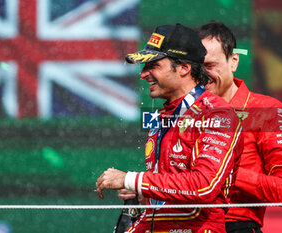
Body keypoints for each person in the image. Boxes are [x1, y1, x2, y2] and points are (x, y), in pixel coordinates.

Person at [96, 23, 243, 233]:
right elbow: (164, 199)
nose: (143, 74)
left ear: (184, 68)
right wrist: (140, 192)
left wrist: (130, 179)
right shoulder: (160, 118)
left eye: (153, 65)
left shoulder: (217, 114)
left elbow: (204, 186)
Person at [196, 21, 282, 233]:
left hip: (234, 226)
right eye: (196, 67)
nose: (202, 76)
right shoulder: (185, 110)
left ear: (233, 61)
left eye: (209, 66)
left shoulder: (266, 109)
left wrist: (222, 172)